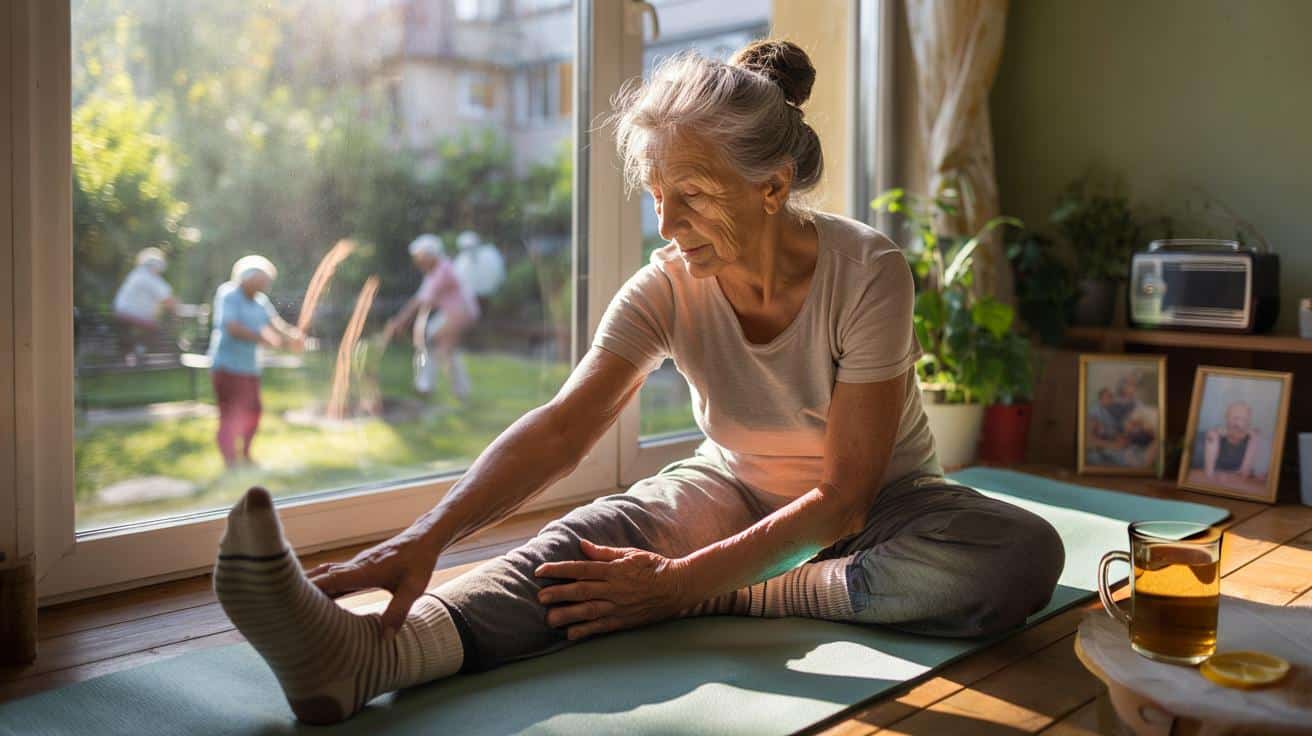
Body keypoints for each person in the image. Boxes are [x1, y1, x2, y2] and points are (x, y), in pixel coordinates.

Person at [213, 41, 1064, 725]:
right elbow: (561, 429)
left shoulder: (867, 269)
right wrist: (425, 540)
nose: (666, 224)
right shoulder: (665, 285)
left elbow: (843, 499)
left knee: (1022, 558)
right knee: (588, 546)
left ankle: (740, 595)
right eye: (656, 196)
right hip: (733, 490)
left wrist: (687, 584)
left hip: (885, 509)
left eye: (689, 194)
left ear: (771, 188)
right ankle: (369, 659)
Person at [208, 255, 304, 468]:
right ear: (247, 278)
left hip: (249, 367)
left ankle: (246, 454)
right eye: (263, 280)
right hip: (227, 365)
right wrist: (264, 339)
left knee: (254, 411)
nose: (266, 284)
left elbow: (276, 324)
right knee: (230, 414)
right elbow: (232, 328)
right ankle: (230, 460)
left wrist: (293, 336)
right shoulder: (229, 294)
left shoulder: (260, 301)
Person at [384, 234, 480, 400]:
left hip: (461, 312)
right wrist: (402, 320)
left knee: (430, 340)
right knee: (445, 349)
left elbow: (420, 301)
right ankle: (460, 392)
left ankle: (425, 386)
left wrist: (399, 321)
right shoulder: (438, 270)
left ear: (429, 255)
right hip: (459, 312)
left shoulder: (442, 270)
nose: (417, 262)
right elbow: (421, 298)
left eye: (419, 257)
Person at [112, 247, 179, 363]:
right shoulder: (149, 277)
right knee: (156, 330)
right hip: (129, 315)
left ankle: (134, 353)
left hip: (121, 313)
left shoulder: (135, 274)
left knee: (150, 329)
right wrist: (177, 308)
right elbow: (169, 300)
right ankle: (140, 354)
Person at [1203, 401, 1262, 478]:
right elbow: (1218, 433)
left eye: (1243, 419)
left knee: (1255, 437)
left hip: (1238, 473)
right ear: (1227, 417)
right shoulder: (1215, 433)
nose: (1238, 422)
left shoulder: (1253, 436)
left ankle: (1242, 472)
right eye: (1235, 418)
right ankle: (1210, 474)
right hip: (1219, 469)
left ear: (1248, 421)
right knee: (1212, 435)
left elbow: (1246, 471)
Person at [452, 230, 506, 303]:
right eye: (465, 248)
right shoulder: (460, 263)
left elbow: (499, 275)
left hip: (493, 294)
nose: (469, 250)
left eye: (471, 246)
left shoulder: (490, 255)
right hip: (475, 299)